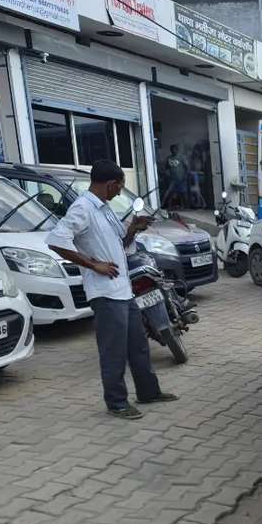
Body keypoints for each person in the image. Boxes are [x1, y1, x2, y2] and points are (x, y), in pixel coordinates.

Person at [46, 159, 178, 420]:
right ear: (109, 184)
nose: (119, 192)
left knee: (138, 346)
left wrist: (133, 229)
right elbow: (56, 241)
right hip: (105, 293)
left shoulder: (104, 208)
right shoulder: (83, 208)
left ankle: (148, 392)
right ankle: (116, 403)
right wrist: (93, 264)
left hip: (123, 290)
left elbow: (120, 243)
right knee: (113, 351)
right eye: (119, 187)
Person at [163, 145, 188, 209]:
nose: (173, 151)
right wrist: (166, 173)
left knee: (182, 193)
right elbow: (166, 168)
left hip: (181, 178)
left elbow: (187, 167)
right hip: (172, 179)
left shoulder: (181, 157)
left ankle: (185, 206)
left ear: (177, 150)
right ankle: (168, 206)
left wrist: (185, 176)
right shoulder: (169, 158)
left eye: (175, 149)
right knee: (170, 192)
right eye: (172, 149)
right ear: (170, 150)